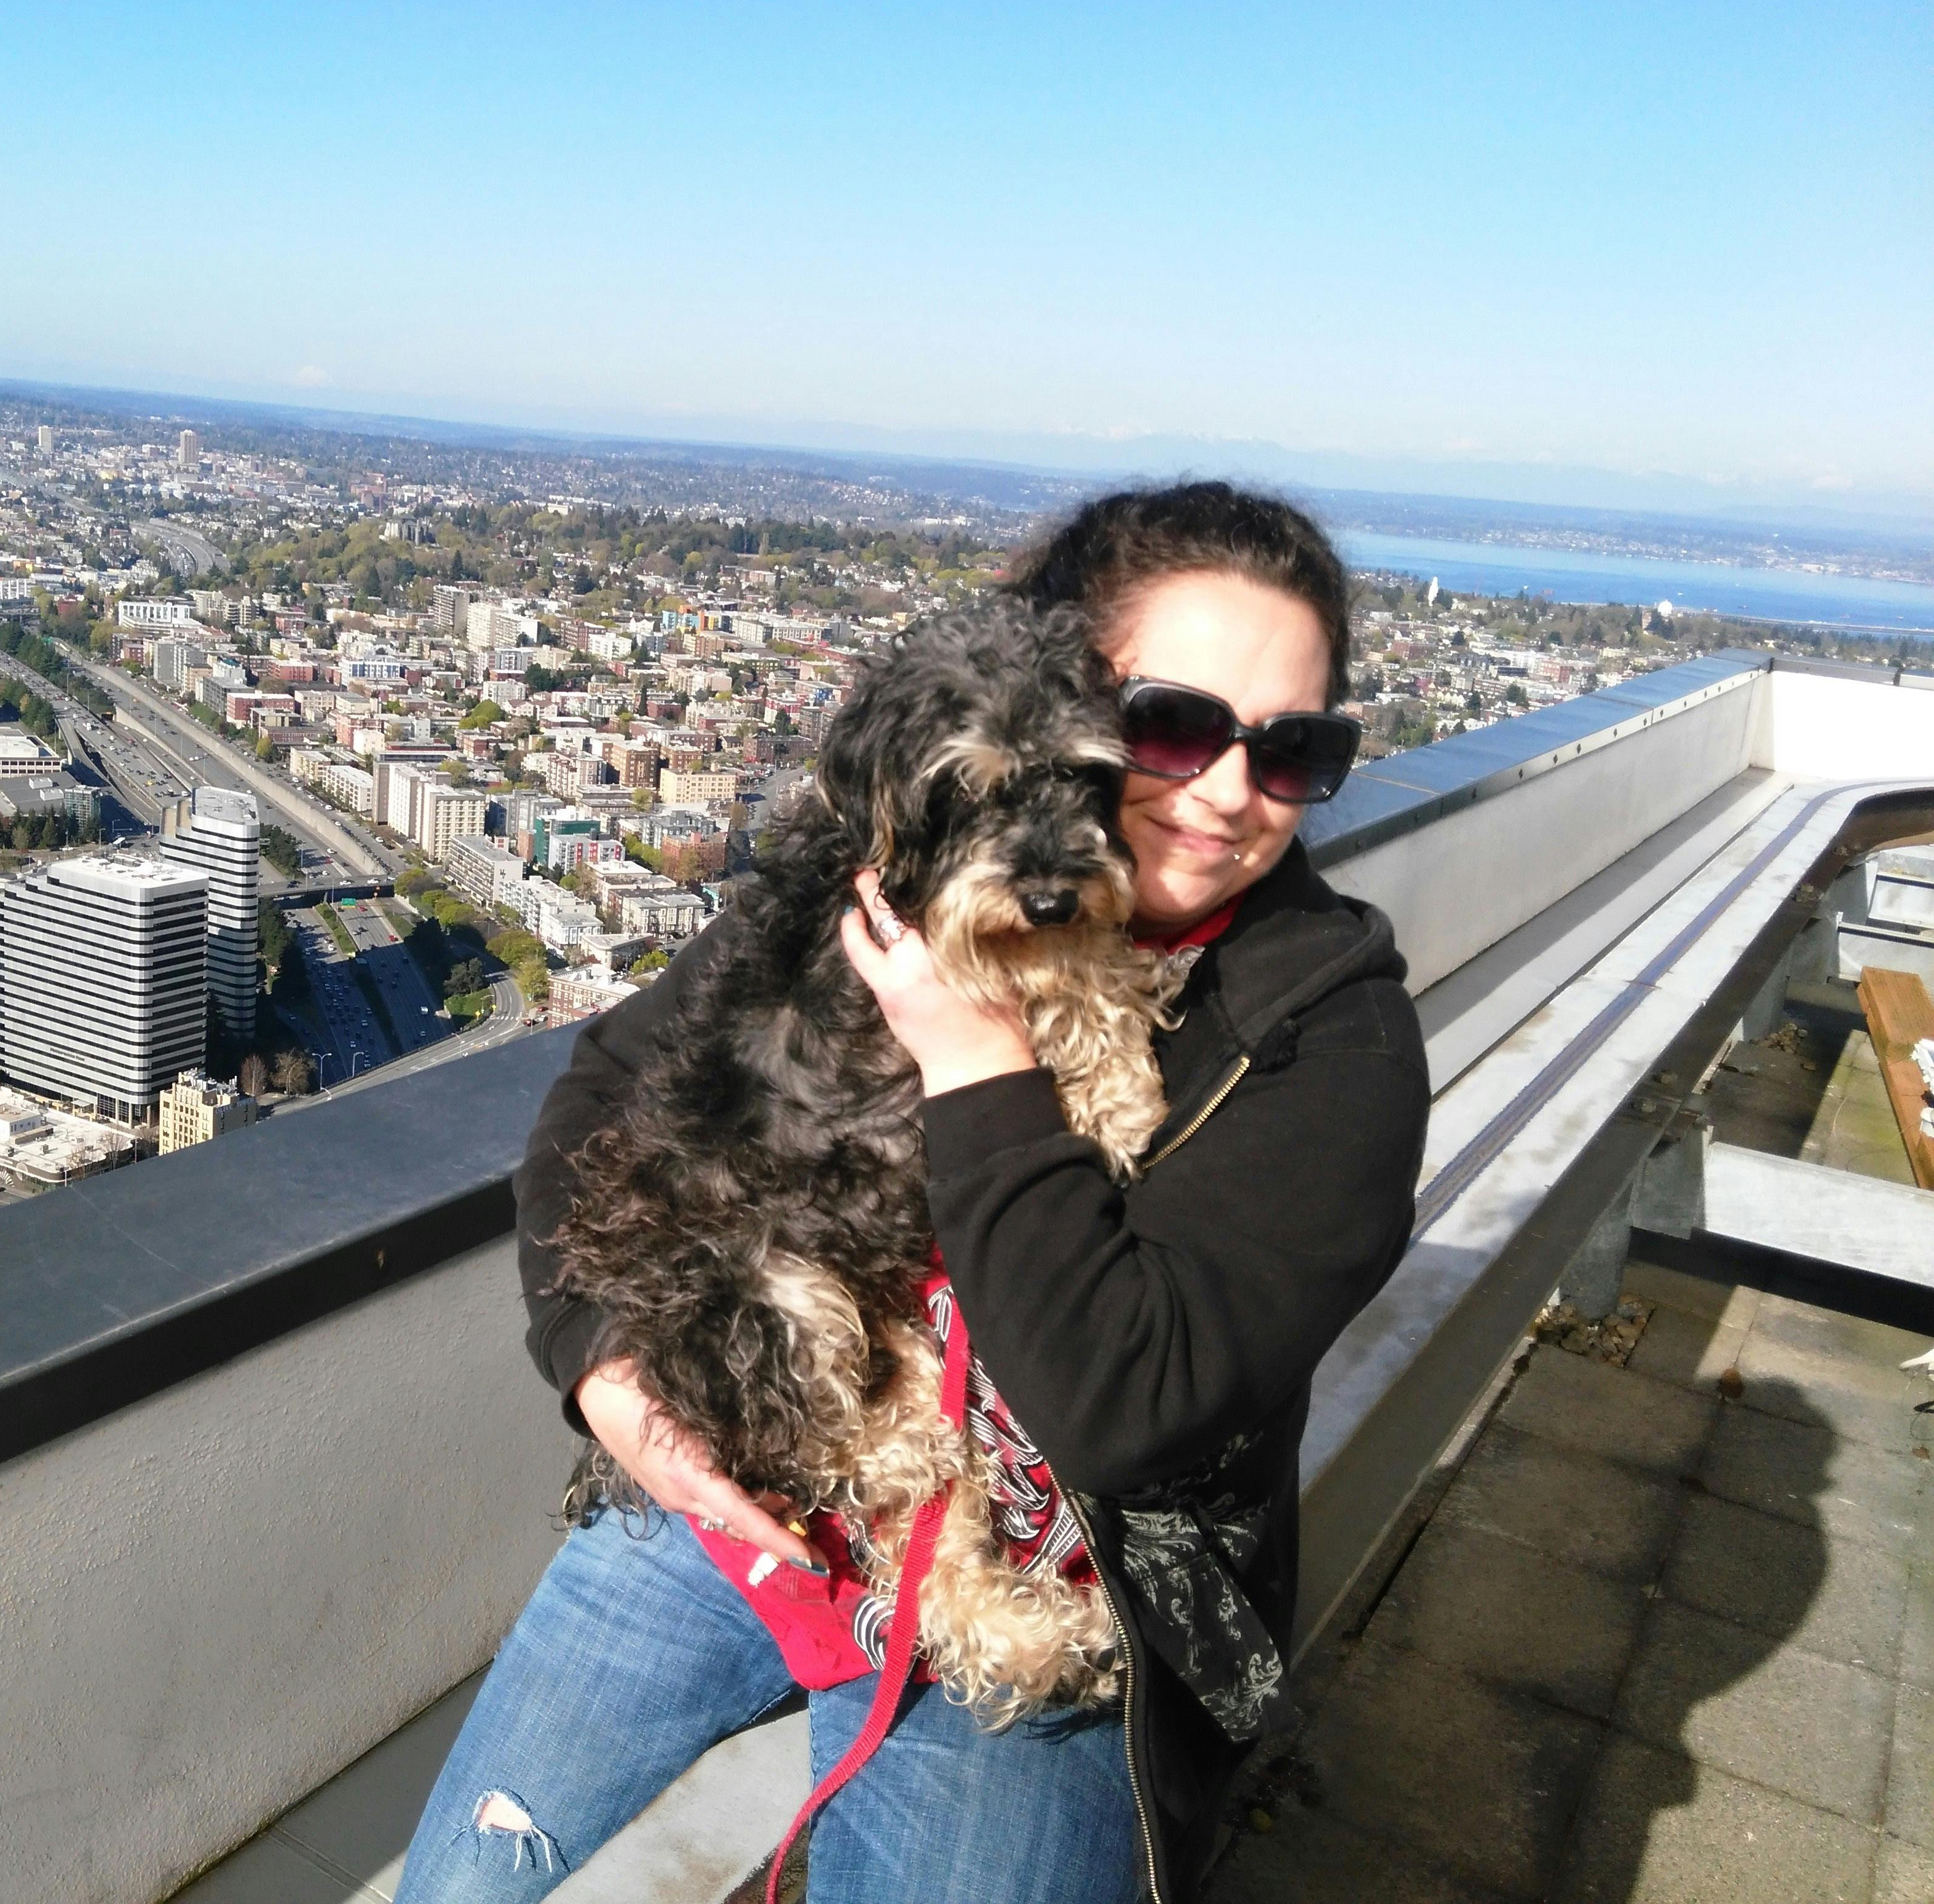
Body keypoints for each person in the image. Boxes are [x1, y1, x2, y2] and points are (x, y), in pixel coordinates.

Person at [395, 483, 1431, 1903]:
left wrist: (974, 1054)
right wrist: (599, 1371)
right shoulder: (871, 888)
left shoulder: (1330, 1037)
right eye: (1173, 725)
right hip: (744, 1479)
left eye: (1294, 748)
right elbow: (606, 1093)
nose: (1225, 791)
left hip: (1050, 1576)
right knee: (461, 1884)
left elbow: (1124, 1412)